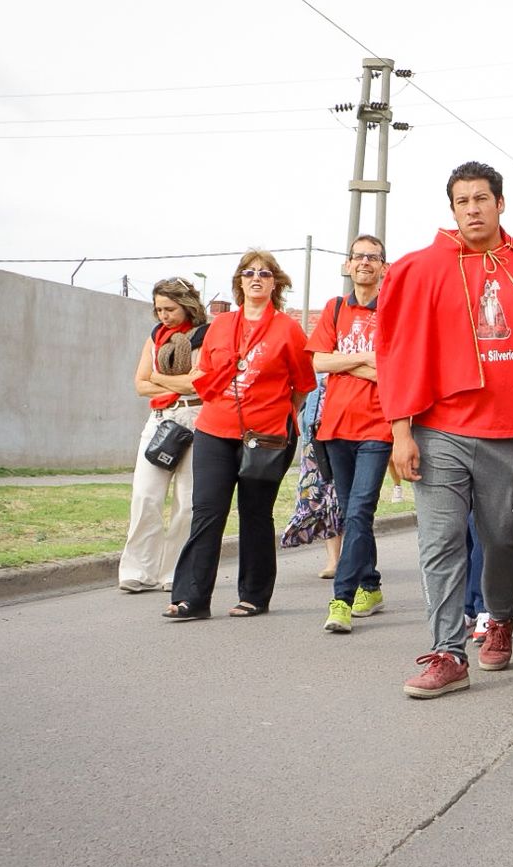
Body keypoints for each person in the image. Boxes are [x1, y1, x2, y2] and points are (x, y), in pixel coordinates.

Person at [377, 162, 513, 698]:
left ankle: (500, 618)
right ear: (453, 209)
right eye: (462, 202)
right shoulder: (417, 270)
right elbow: (398, 354)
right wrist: (401, 431)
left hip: (509, 433)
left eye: (481, 199)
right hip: (439, 432)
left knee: (504, 540)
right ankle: (447, 652)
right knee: (439, 543)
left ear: (500, 203)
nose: (472, 209)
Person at [164, 251, 315, 619]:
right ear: (240, 282)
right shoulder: (220, 324)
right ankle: (193, 598)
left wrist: (278, 414)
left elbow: (302, 385)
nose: (256, 278)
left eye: (264, 273)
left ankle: (254, 595)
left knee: (255, 513)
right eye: (249, 273)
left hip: (265, 436)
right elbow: (205, 372)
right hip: (215, 430)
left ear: (275, 282)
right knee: (207, 512)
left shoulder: (288, 329)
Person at [309, 234, 393, 634]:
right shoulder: (336, 308)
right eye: (358, 257)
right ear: (348, 264)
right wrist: (363, 358)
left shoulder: (393, 311)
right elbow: (320, 361)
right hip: (335, 427)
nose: (364, 263)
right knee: (351, 512)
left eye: (372, 257)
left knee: (359, 511)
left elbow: (393, 368)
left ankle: (341, 599)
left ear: (383, 267)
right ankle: (371, 585)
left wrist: (343, 362)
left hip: (378, 426)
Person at [119, 278, 210, 593]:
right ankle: (137, 570)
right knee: (146, 496)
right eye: (158, 309)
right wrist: (175, 381)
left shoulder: (204, 337)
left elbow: (197, 386)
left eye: (169, 308)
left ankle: (173, 571)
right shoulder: (155, 337)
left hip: (196, 418)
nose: (163, 316)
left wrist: (158, 377)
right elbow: (140, 384)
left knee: (186, 502)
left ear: (188, 305)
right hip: (159, 420)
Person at [281, 381, 342, 573]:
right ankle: (335, 560)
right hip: (314, 433)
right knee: (316, 496)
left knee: (342, 498)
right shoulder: (315, 355)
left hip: (348, 430)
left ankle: (346, 559)